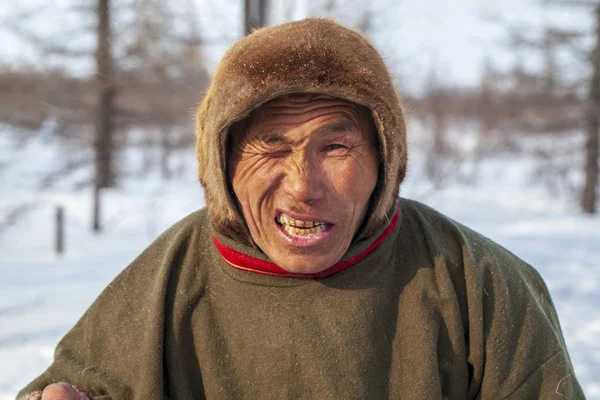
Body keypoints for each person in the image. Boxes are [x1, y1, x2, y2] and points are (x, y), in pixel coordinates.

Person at [19, 18, 584, 400]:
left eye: (335, 146)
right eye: (271, 144)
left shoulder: (477, 282)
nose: (302, 187)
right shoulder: (170, 278)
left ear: (386, 158)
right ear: (222, 161)